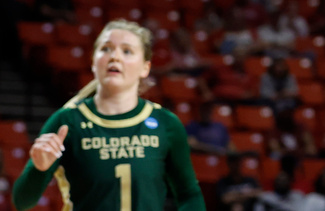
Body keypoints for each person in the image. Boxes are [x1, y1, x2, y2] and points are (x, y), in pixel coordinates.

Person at [12, 19, 203, 211]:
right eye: (106, 49)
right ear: (93, 61)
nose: (115, 57)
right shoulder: (66, 121)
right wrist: (39, 169)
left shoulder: (166, 123)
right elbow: (22, 201)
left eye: (127, 51)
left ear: (145, 68)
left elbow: (189, 194)